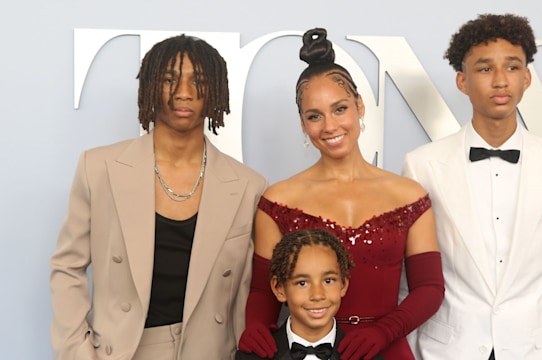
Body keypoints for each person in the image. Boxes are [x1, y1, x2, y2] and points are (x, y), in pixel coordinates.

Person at [49, 34, 267, 360]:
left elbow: (256, 290)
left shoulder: (249, 185)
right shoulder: (99, 168)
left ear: (217, 91)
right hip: (123, 350)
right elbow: (67, 267)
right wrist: (77, 352)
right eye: (169, 79)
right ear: (150, 85)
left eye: (200, 81)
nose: (184, 92)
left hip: (211, 352)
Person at [238, 28, 445, 360]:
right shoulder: (277, 201)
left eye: (339, 109)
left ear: (359, 106)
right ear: (303, 124)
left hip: (387, 351)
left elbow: (430, 289)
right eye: (314, 116)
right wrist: (256, 329)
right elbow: (264, 289)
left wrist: (383, 332)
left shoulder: (409, 196)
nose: (330, 126)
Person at [403, 14, 542, 360]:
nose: (500, 81)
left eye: (512, 68)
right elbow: (410, 280)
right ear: (462, 81)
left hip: (537, 350)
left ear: (527, 78)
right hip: (447, 349)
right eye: (485, 69)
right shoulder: (422, 165)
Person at [236, 228, 384, 360]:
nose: (317, 295)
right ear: (279, 288)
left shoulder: (368, 358)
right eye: (302, 283)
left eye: (328, 280)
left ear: (343, 284)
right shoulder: (251, 357)